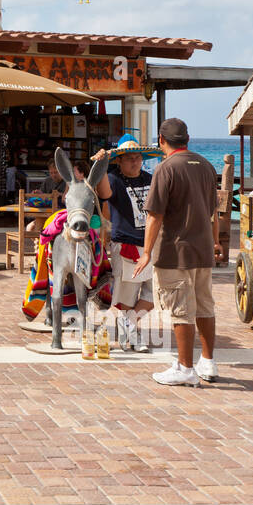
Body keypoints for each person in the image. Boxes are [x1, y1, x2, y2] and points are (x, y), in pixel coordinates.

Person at [135, 118, 221, 386]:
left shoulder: (165, 168)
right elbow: (213, 212)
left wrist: (147, 252)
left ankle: (185, 368)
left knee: (180, 309)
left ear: (161, 140)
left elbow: (154, 215)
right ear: (188, 139)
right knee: (205, 306)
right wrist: (216, 242)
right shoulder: (206, 166)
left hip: (175, 251)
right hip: (203, 249)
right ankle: (207, 361)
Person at [94, 134, 161, 353]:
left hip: (150, 245)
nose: (134, 161)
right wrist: (101, 164)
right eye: (129, 158)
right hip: (126, 246)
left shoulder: (150, 179)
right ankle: (131, 335)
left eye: (138, 157)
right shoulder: (113, 179)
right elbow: (103, 193)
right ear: (120, 161)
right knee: (126, 298)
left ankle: (129, 326)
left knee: (154, 296)